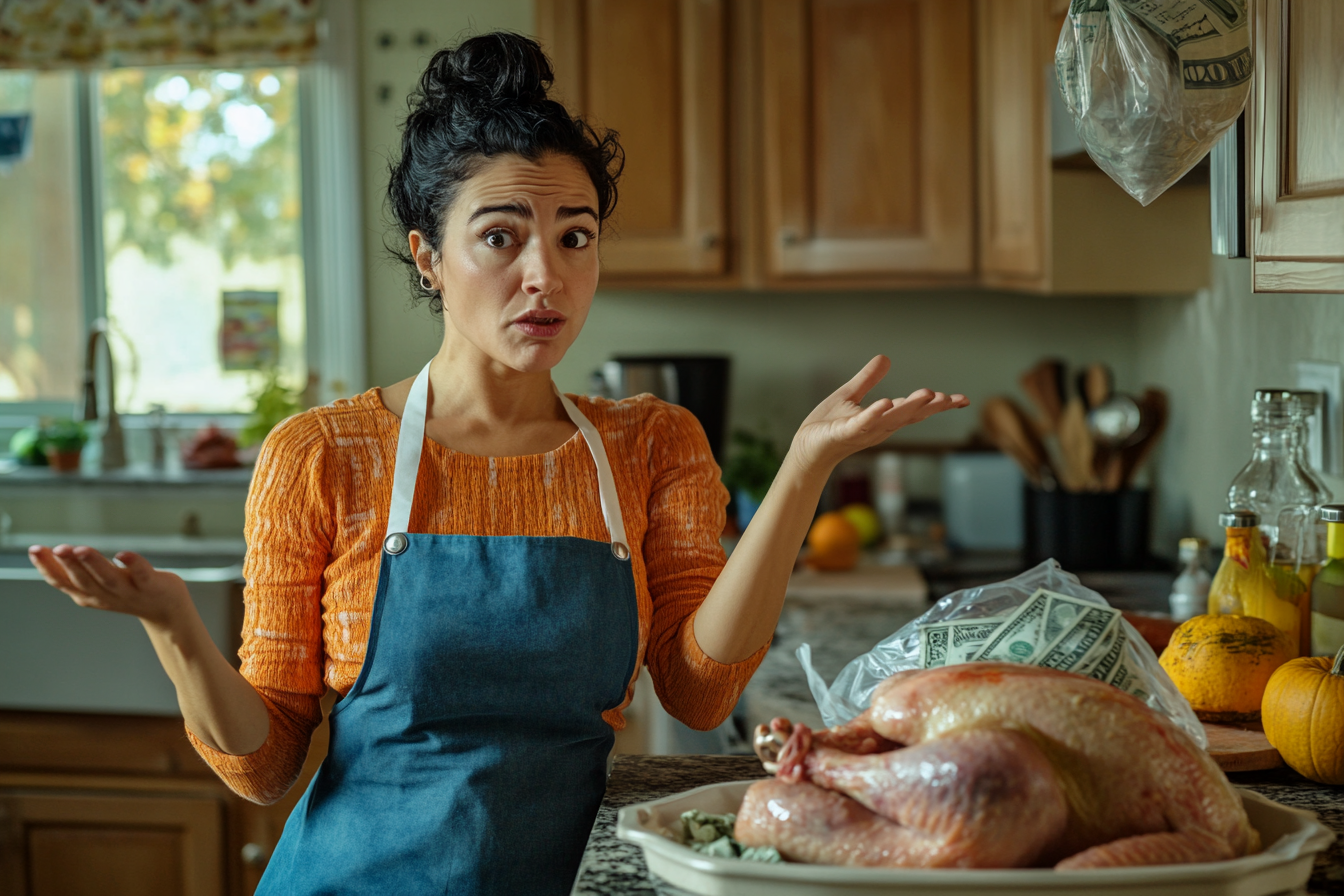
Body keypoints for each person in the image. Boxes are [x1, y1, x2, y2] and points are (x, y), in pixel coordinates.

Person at [27, 32, 968, 896]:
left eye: (576, 236)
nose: (545, 276)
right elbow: (267, 766)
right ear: (427, 255)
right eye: (499, 235)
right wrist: (174, 626)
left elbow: (697, 686)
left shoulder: (651, 444)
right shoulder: (322, 457)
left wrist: (803, 470)